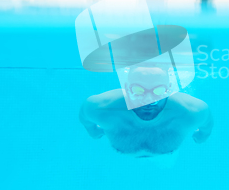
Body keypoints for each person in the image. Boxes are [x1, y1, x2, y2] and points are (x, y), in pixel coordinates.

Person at [79, 66, 213, 160]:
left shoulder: (192, 111)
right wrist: (201, 136)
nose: (148, 100)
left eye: (158, 91)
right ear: (126, 87)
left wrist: (94, 132)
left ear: (169, 89)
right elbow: (85, 117)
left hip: (167, 159)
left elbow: (207, 126)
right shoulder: (101, 107)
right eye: (138, 90)